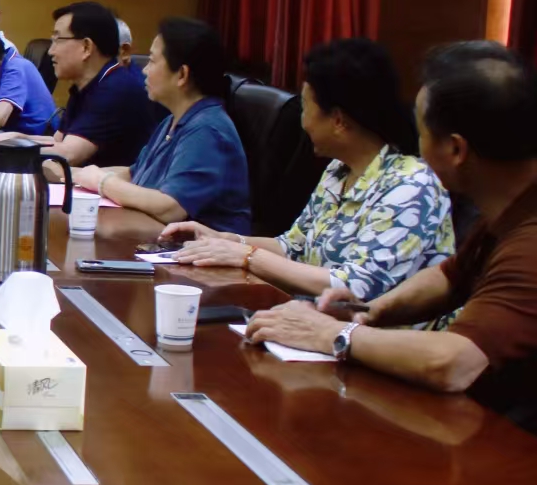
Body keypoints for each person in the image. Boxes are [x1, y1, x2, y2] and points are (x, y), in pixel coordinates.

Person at [244, 43, 537, 420]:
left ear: (455, 149)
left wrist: (332, 335)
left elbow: (453, 363)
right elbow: (449, 276)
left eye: (421, 129)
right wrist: (368, 312)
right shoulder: (507, 209)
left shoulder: (529, 244)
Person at [164, 38, 453, 302]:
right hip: (313, 321)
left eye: (305, 107)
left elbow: (356, 285)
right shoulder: (338, 170)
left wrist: (247, 256)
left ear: (338, 121)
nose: (303, 121)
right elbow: (293, 247)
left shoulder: (410, 186)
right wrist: (224, 240)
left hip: (375, 337)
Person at [74, 18, 252, 233]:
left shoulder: (207, 130)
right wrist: (73, 175)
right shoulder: (174, 120)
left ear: (182, 75)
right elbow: (135, 173)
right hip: (157, 239)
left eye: (152, 61)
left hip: (201, 249)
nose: (144, 70)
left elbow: (170, 208)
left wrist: (102, 182)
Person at [0, 1, 159, 170]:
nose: (51, 51)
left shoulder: (115, 87)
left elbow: (68, 154)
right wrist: (2, 139)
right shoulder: (84, 87)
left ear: (86, 47)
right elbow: (56, 141)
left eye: (58, 40)